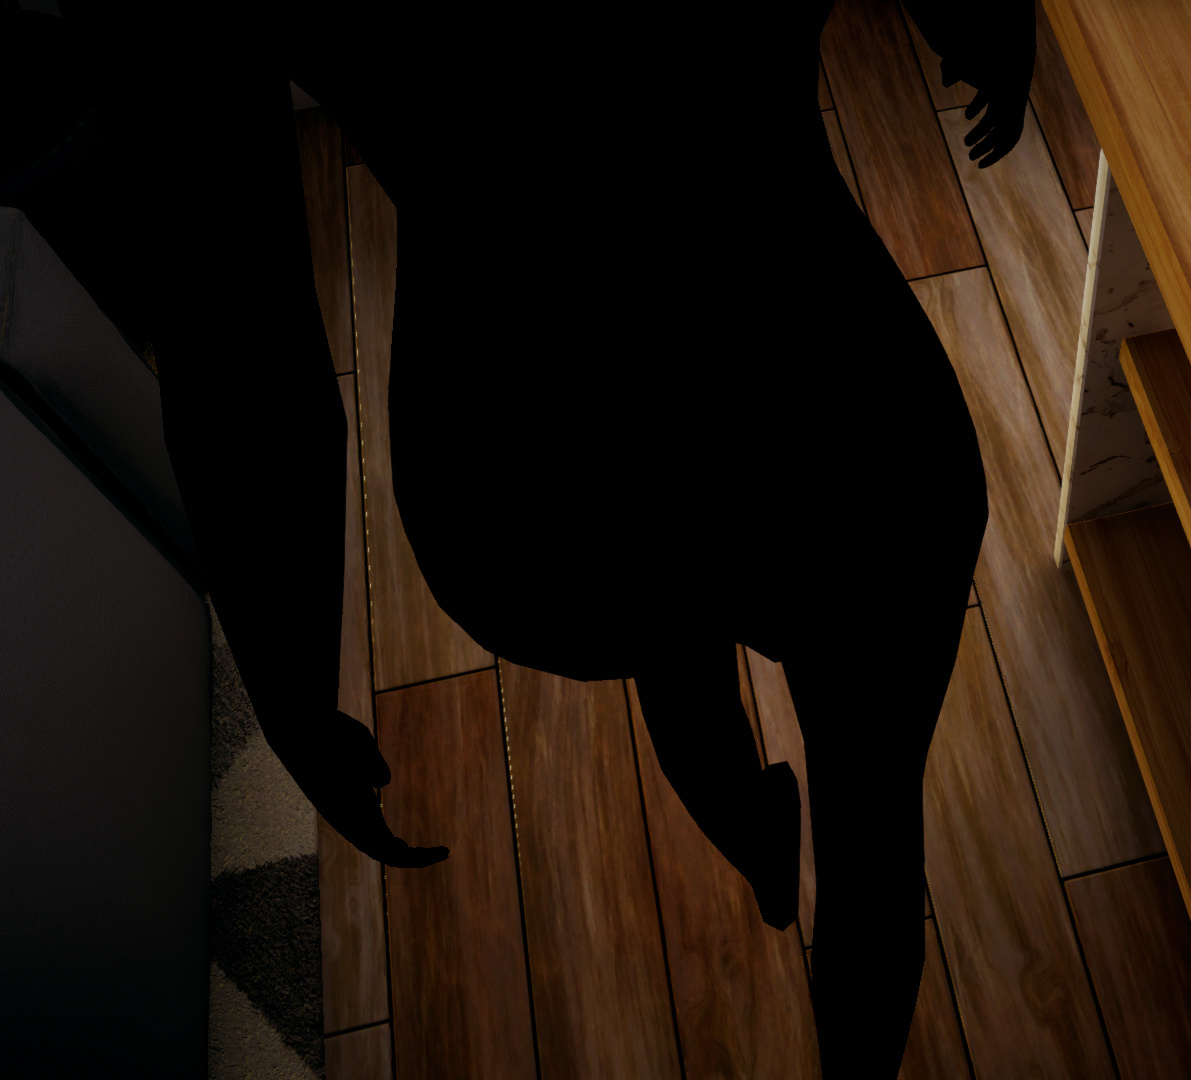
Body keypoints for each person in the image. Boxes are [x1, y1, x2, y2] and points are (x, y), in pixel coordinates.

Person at [3, 1, 1034, 1074]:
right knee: (875, 846)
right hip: (844, 418)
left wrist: (290, 683)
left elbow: (234, 320)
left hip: (538, 481)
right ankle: (779, 865)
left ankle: (761, 848)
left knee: (672, 647)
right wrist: (987, 23)